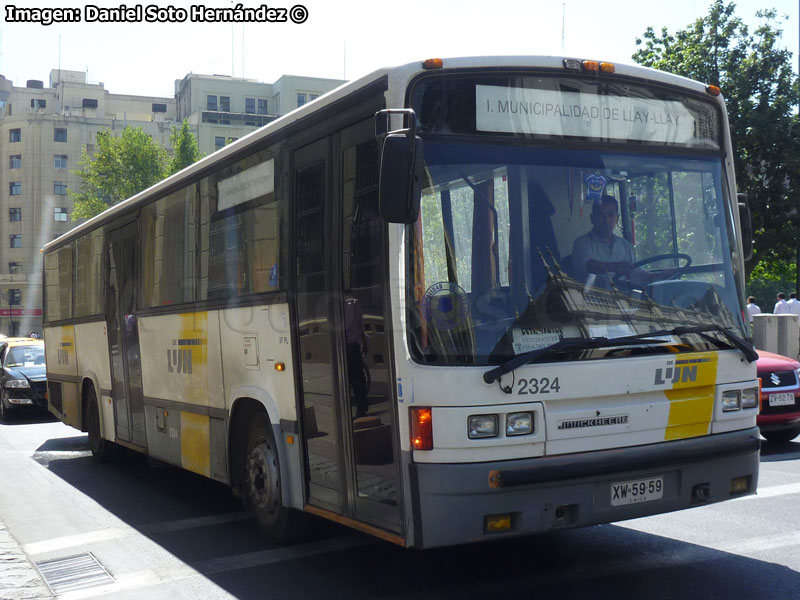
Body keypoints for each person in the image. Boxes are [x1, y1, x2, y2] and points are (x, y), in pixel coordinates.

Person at [572, 195, 671, 289]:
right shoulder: (582, 243)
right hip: (590, 301)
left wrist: (661, 275)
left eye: (611, 215)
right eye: (600, 215)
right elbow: (590, 266)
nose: (606, 220)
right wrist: (615, 267)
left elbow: (637, 274)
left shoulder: (624, 245)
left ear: (617, 218)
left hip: (623, 301)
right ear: (592, 218)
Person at [344, 293, 369, 418]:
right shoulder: (354, 304)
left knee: (349, 379)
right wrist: (364, 343)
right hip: (352, 346)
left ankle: (355, 408)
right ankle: (362, 407)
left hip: (343, 347)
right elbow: (361, 327)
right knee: (358, 379)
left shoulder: (335, 305)